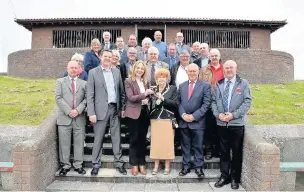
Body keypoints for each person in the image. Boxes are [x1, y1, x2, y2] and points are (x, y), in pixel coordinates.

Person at [212, 60, 252, 190]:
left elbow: (247, 102)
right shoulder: (219, 84)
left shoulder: (243, 83)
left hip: (236, 124)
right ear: (223, 69)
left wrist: (233, 115)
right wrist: (218, 115)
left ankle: (235, 178)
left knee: (236, 152)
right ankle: (224, 176)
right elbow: (213, 102)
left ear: (236, 69)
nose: (228, 70)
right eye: (227, 68)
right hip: (221, 124)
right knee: (223, 152)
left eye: (231, 68)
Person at [87, 49, 127, 176]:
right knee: (98, 139)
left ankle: (119, 163)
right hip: (99, 111)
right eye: (105, 56)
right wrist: (91, 113)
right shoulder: (93, 72)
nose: (108, 58)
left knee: (116, 138)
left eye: (110, 57)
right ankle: (95, 164)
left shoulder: (116, 71)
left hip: (115, 109)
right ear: (100, 57)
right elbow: (90, 95)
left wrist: (122, 108)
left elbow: (121, 92)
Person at [178, 63, 211, 178]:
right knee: (185, 146)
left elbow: (206, 104)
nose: (192, 73)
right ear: (187, 73)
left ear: (198, 72)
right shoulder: (181, 86)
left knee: (198, 146)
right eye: (190, 71)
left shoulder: (205, 86)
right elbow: (179, 102)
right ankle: (186, 166)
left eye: (194, 71)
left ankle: (198, 168)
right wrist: (182, 114)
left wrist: (194, 116)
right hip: (184, 121)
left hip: (198, 122)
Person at [55, 61, 87, 176]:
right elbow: (58, 98)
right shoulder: (60, 81)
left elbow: (87, 99)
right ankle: (65, 165)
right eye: (71, 68)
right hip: (64, 117)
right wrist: (69, 111)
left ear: (79, 69)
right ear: (67, 69)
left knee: (79, 143)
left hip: (79, 118)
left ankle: (78, 165)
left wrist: (78, 110)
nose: (73, 69)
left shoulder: (84, 83)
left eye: (76, 68)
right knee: (64, 143)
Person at [124, 60, 155, 176]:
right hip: (133, 114)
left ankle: (142, 163)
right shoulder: (128, 81)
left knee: (142, 140)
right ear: (134, 68)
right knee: (134, 139)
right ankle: (134, 164)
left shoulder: (145, 82)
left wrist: (150, 96)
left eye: (142, 68)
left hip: (144, 113)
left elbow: (148, 95)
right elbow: (131, 97)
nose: (140, 70)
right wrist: (145, 94)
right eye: (138, 68)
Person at [149, 68, 178, 175]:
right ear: (156, 79)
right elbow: (150, 105)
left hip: (167, 118)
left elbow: (175, 103)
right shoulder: (153, 89)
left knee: (167, 143)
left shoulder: (172, 89)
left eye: (164, 77)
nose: (161, 79)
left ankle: (167, 166)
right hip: (155, 119)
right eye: (159, 77)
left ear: (167, 78)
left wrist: (163, 99)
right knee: (156, 143)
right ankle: (156, 166)